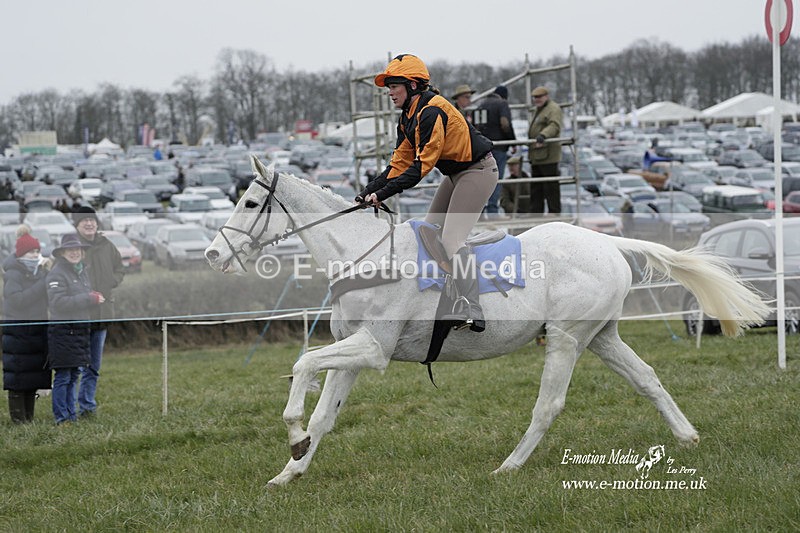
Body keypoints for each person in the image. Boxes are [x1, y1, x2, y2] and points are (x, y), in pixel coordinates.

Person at [357, 54, 497, 332]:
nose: (389, 92)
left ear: (412, 85)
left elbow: (421, 167)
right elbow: (399, 164)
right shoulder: (407, 116)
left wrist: (383, 194)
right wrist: (368, 190)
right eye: (388, 87)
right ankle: (445, 296)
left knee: (451, 240)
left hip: (478, 171)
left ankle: (472, 306)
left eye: (394, 86)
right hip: (456, 174)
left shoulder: (432, 111)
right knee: (429, 232)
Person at [47, 233, 104, 425]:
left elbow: (80, 299)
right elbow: (58, 303)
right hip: (63, 332)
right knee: (63, 377)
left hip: (79, 332)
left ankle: (72, 416)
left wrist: (93, 297)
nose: (74, 253)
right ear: (62, 253)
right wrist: (89, 298)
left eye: (77, 249)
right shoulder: (56, 273)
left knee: (74, 375)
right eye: (70, 249)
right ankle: (62, 419)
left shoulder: (81, 272)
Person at [72, 206, 124, 417]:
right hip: (77, 315)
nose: (89, 223)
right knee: (74, 367)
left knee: (93, 366)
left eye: (91, 220)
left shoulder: (107, 245)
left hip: (102, 314)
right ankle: (68, 408)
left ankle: (87, 406)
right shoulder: (71, 246)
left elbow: (120, 268)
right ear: (76, 225)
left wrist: (111, 282)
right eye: (84, 220)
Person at [2, 227, 51, 423]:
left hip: (36, 331)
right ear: (22, 254)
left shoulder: (39, 272)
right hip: (18, 332)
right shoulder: (14, 274)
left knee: (32, 377)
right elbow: (17, 300)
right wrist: (43, 284)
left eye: (37, 252)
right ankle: (18, 419)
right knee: (17, 376)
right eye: (32, 252)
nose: (36, 255)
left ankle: (28, 418)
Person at [474, 85, 516, 217]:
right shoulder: (502, 104)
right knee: (496, 179)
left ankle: (479, 211)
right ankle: (492, 211)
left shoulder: (481, 105)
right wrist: (512, 141)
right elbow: (505, 123)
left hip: (482, 149)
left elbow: (475, 126)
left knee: (482, 180)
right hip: (499, 147)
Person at [528, 85, 563, 215]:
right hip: (537, 156)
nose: (537, 99)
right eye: (535, 97)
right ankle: (536, 213)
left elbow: (554, 125)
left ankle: (554, 212)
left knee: (550, 187)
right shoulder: (539, 110)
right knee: (537, 188)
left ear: (546, 96)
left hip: (548, 155)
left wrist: (543, 136)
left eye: (539, 97)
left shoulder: (553, 109)